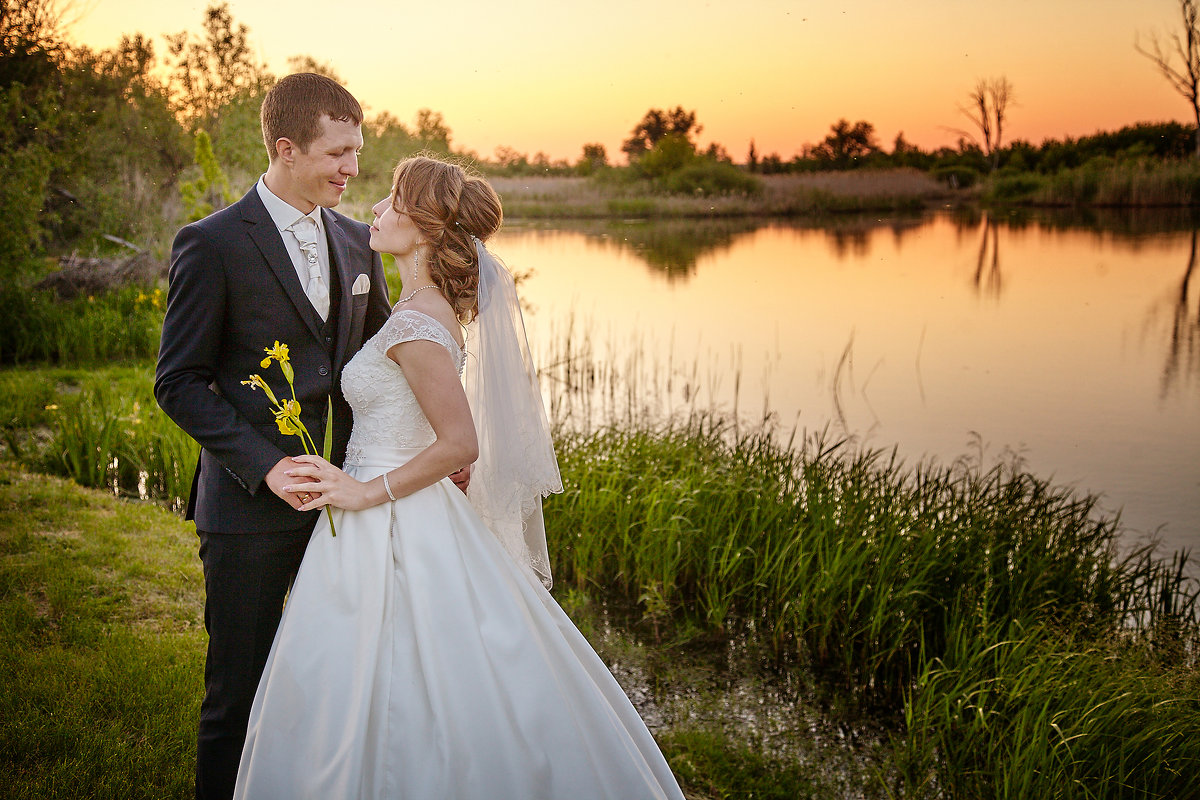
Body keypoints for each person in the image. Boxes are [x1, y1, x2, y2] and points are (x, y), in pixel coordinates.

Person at [232, 156, 686, 799]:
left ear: (422, 228)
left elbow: (459, 441)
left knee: (392, 675)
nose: (376, 210)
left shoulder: (418, 324)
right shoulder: (419, 308)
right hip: (394, 508)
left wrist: (363, 489)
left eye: (392, 200)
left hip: (387, 510)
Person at [155, 74, 438, 800]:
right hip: (248, 511)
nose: (352, 168)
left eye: (357, 151)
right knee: (237, 696)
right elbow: (179, 381)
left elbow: (382, 362)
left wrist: (434, 444)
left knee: (329, 689)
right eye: (339, 153)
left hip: (347, 510)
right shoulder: (211, 243)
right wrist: (267, 466)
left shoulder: (356, 240)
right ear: (286, 148)